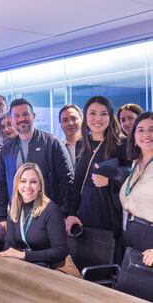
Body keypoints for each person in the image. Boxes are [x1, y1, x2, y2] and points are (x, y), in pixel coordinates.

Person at [0, 98, 74, 237]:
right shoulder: (7, 149)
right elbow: (1, 183)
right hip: (17, 215)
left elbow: (67, 180)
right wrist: (1, 216)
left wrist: (62, 213)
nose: (21, 119)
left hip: (47, 215)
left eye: (25, 114)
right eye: (16, 116)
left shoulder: (52, 143)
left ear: (33, 116)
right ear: (12, 120)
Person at [66, 96, 131, 263]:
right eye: (92, 113)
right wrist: (71, 213)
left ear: (110, 117)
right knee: (85, 263)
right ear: (85, 117)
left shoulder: (121, 144)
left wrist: (111, 180)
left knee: (108, 264)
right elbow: (77, 182)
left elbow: (132, 177)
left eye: (103, 114)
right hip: (85, 215)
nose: (98, 119)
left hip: (109, 214)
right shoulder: (82, 144)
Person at [0, 163, 69, 266]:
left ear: (40, 185)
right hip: (22, 265)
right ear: (17, 184)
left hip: (48, 268)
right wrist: (20, 257)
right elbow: (9, 245)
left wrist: (24, 255)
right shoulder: (14, 206)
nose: (27, 186)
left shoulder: (51, 210)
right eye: (23, 181)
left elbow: (60, 251)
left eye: (33, 182)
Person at [119, 112, 153, 267]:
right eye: (140, 130)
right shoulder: (136, 163)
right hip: (131, 231)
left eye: (152, 129)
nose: (146, 134)